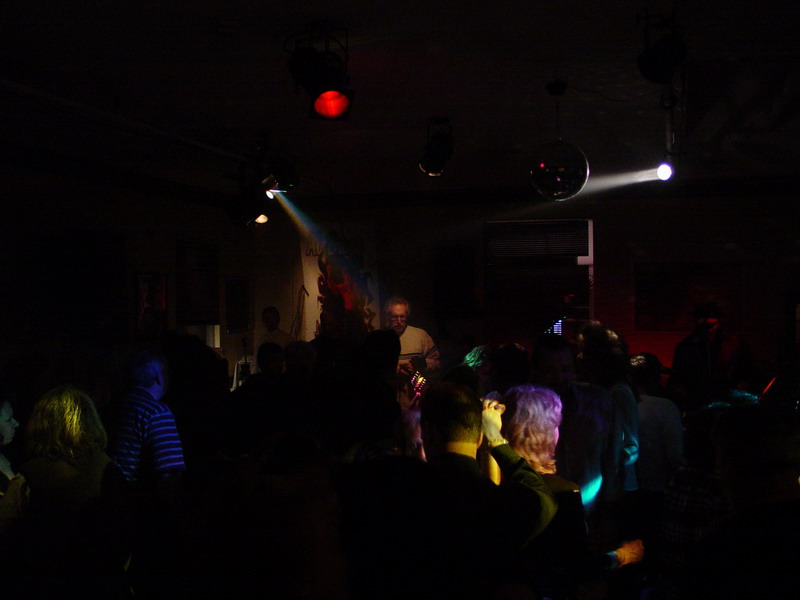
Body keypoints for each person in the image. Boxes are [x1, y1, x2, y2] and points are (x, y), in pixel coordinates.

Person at [338, 382, 556, 599]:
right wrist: (496, 440)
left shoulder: (393, 491)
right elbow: (542, 496)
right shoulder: (502, 504)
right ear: (480, 437)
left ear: (429, 432)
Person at [500, 384, 644, 599]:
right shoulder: (561, 491)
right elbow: (578, 567)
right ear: (545, 432)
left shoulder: (494, 478)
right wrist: (623, 556)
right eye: (556, 424)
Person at [11, 385, 132, 599]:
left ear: (41, 425)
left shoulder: (31, 475)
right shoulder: (111, 471)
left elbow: (5, 529)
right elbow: (127, 534)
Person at [104, 349, 187, 599]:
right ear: (158, 376)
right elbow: (170, 473)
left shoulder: (115, 406)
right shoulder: (157, 412)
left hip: (112, 505)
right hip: (145, 512)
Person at [669, 301, 759, 414]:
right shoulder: (686, 346)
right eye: (704, 325)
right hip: (697, 401)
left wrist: (741, 386)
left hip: (729, 400)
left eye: (712, 325)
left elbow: (749, 370)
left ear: (719, 323)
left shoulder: (735, 344)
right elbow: (677, 376)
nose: (709, 330)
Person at [384, 296, 441, 410]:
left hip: (415, 402)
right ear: (388, 316)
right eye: (395, 317)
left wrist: (423, 364)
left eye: (402, 317)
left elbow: (437, 363)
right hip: (387, 401)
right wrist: (392, 369)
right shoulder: (380, 338)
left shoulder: (421, 336)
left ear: (407, 316)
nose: (399, 321)